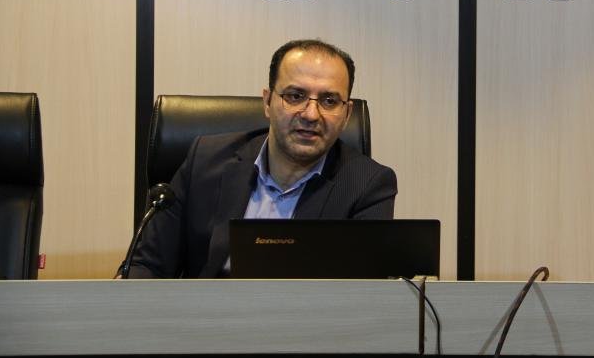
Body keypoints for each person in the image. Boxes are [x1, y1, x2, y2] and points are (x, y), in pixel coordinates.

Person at [122, 39, 397, 278]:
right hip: (206, 315)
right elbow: (148, 264)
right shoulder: (205, 160)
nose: (311, 114)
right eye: (295, 96)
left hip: (304, 320)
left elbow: (363, 292)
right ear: (267, 102)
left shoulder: (367, 185)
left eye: (329, 101)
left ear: (347, 115)